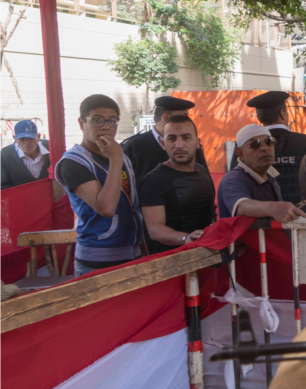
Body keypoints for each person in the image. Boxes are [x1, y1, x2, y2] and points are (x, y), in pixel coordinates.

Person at [54, 95, 144, 276]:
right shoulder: (72, 162)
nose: (106, 127)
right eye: (97, 120)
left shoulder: (120, 157)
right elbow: (106, 208)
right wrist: (115, 160)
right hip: (96, 260)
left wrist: (143, 253)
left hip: (133, 255)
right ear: (81, 123)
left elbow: (133, 210)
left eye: (112, 121)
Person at [138, 114, 216, 253]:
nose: (179, 145)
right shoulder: (153, 180)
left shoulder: (201, 170)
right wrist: (185, 238)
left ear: (197, 142)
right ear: (163, 144)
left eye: (186, 138)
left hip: (207, 255)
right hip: (171, 263)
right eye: (172, 138)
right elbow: (155, 230)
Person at [230, 91, 306, 205]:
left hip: (262, 218)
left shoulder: (244, 149)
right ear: (283, 113)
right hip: (303, 216)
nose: (265, 148)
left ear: (259, 118)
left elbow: (236, 181)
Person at [218, 124, 306, 223]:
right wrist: (273, 208)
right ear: (240, 153)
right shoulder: (234, 179)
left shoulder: (270, 178)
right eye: (255, 144)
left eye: (269, 141)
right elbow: (241, 206)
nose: (264, 148)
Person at [121, 95, 209, 182]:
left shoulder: (190, 145)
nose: (179, 146)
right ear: (166, 118)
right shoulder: (134, 146)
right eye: (183, 117)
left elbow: (206, 182)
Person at [0, 120, 50, 190]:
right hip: (19, 199)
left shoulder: (51, 148)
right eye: (22, 139)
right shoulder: (5, 155)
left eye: (30, 138)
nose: (27, 142)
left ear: (38, 137)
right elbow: (3, 187)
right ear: (14, 138)